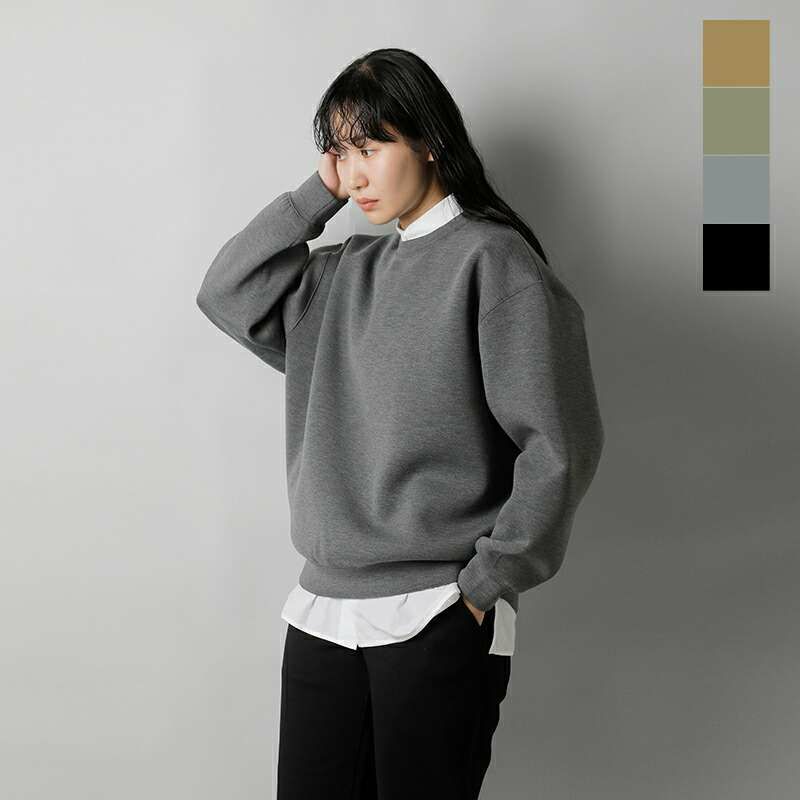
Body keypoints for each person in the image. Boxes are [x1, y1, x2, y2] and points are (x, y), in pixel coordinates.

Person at [195, 47, 605, 800]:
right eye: (340, 152)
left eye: (370, 147)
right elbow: (225, 290)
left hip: (437, 610)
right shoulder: (338, 275)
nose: (353, 174)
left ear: (429, 141)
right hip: (323, 613)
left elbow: (560, 444)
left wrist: (487, 583)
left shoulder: (493, 262)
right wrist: (315, 195)